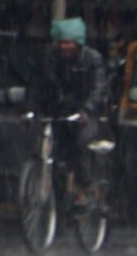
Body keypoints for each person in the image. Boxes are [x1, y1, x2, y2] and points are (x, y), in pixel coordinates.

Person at [42, 15, 113, 201]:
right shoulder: (51, 57)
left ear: (78, 43)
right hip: (62, 111)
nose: (64, 47)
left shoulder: (93, 59)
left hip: (86, 113)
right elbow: (43, 83)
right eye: (61, 42)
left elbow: (99, 88)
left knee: (81, 144)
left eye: (69, 43)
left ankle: (85, 187)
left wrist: (87, 110)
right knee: (54, 151)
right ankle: (58, 194)